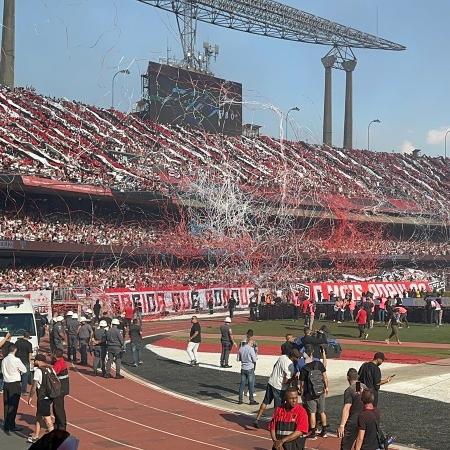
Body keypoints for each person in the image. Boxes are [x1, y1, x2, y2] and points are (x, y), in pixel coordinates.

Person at [253, 349, 300, 429]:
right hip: (279, 387)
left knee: (265, 401)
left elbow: (275, 366)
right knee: (278, 407)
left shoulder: (282, 357)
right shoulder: (290, 365)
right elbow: (286, 381)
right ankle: (274, 425)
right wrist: (293, 378)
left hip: (271, 381)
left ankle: (257, 419)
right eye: (297, 357)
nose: (298, 359)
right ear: (293, 357)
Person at [299, 345, 329, 438]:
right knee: (322, 412)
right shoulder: (318, 364)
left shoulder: (304, 368)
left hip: (310, 393)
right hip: (321, 391)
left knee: (312, 413)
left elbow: (302, 384)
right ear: (312, 353)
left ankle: (313, 432)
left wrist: (302, 393)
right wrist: (326, 387)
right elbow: (325, 376)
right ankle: (324, 431)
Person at [27, 354, 55, 443]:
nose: (34, 362)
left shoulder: (38, 371)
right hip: (50, 395)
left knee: (47, 418)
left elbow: (34, 386)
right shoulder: (50, 368)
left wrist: (30, 397)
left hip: (43, 397)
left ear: (38, 361)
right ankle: (36, 435)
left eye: (35, 360)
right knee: (38, 415)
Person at [337, 368, 367, 450]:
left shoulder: (349, 390)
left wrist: (342, 425)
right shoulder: (364, 387)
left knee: (346, 445)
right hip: (365, 419)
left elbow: (347, 408)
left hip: (354, 420)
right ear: (357, 376)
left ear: (348, 378)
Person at [1, 343, 26, 434]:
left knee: (6, 405)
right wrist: (18, 370)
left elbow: (3, 371)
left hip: (6, 383)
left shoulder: (4, 360)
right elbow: (24, 370)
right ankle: (10, 425)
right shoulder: (16, 360)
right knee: (13, 405)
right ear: (15, 350)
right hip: (14, 384)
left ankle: (7, 424)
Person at [237, 337, 258, 405]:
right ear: (250, 342)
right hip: (250, 368)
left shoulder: (241, 348)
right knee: (250, 384)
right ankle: (251, 400)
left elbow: (238, 359)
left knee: (242, 384)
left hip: (243, 368)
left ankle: (240, 399)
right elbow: (254, 360)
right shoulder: (251, 349)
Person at [52, 349, 69, 431]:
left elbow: (53, 373)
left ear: (55, 355)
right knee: (56, 406)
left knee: (58, 407)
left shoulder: (58, 363)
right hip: (62, 388)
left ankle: (62, 425)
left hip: (60, 389)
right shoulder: (62, 361)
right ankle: (58, 423)